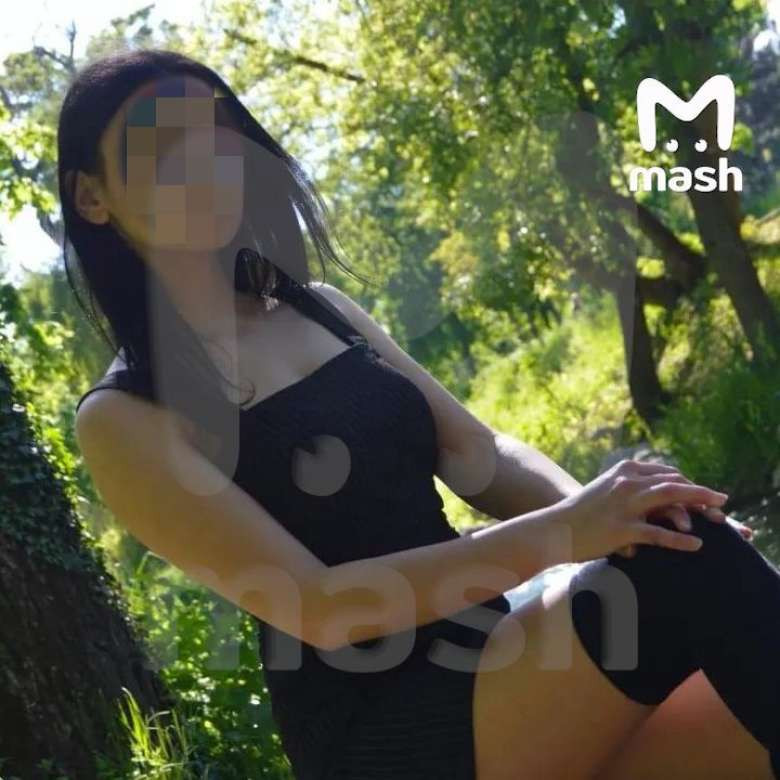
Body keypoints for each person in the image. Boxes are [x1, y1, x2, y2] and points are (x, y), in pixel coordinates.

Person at [63, 49, 780, 779]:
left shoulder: (321, 309)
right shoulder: (123, 416)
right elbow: (320, 607)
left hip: (502, 651)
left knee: (709, 620)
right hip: (381, 726)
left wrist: (628, 523)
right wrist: (571, 530)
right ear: (92, 197)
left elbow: (481, 455)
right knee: (695, 584)